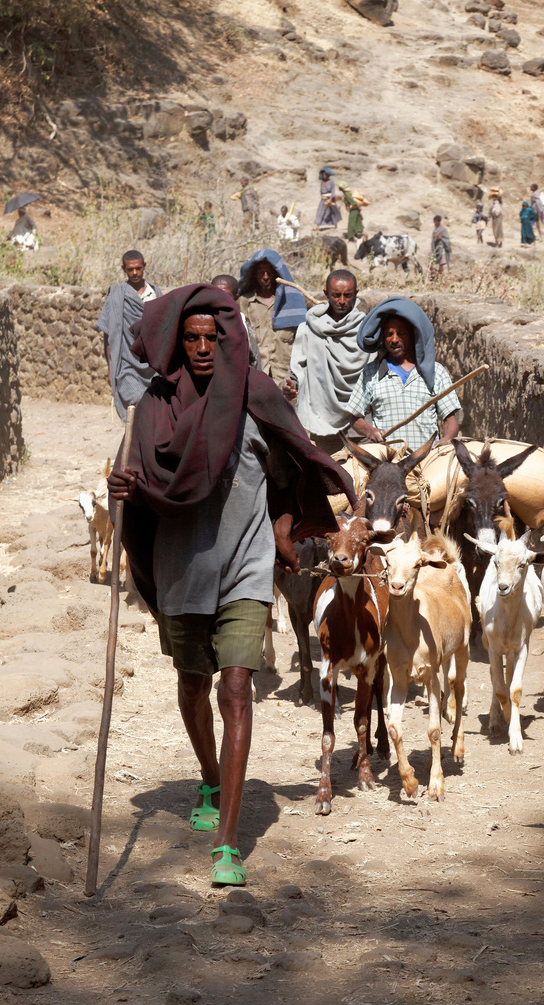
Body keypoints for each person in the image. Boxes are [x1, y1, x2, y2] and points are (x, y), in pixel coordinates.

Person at [107, 284, 355, 887]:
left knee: (237, 690)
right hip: (183, 569)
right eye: (189, 338)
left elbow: (288, 476)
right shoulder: (154, 407)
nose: (199, 348)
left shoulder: (255, 398)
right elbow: (142, 484)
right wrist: (126, 494)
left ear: (227, 339)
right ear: (175, 342)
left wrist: (287, 534)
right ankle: (211, 778)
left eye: (209, 338)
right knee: (194, 684)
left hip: (246, 564)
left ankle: (228, 843)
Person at [347, 297, 461, 449]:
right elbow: (354, 417)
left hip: (426, 459)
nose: (394, 339)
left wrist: (447, 438)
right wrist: (369, 431)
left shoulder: (436, 372)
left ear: (413, 336)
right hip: (387, 463)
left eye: (401, 333)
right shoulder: (371, 372)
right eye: (389, 334)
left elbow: (450, 419)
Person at [282, 269, 369, 454]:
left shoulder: (366, 331)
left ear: (356, 294)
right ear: (326, 294)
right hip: (323, 419)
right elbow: (297, 369)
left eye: (348, 295)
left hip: (361, 423)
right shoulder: (309, 329)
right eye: (336, 295)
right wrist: (289, 386)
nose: (342, 301)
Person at [95, 250, 162, 421]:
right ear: (123, 268)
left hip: (152, 366)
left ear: (144, 267)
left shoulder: (155, 294)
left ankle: (145, 444)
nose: (134, 273)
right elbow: (109, 335)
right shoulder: (117, 295)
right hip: (127, 365)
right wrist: (111, 368)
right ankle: (135, 442)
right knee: (137, 400)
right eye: (130, 269)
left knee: (157, 409)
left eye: (138, 269)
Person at [236, 249, 306, 384]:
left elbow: (303, 342)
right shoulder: (244, 302)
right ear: (254, 275)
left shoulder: (292, 301)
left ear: (276, 273)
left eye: (269, 272)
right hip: (255, 377)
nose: (266, 277)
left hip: (287, 378)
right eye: (261, 273)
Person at [211, 274, 262, 369]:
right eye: (215, 294)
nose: (219, 299)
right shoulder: (201, 321)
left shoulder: (243, 325)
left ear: (236, 298)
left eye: (226, 295)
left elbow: (255, 360)